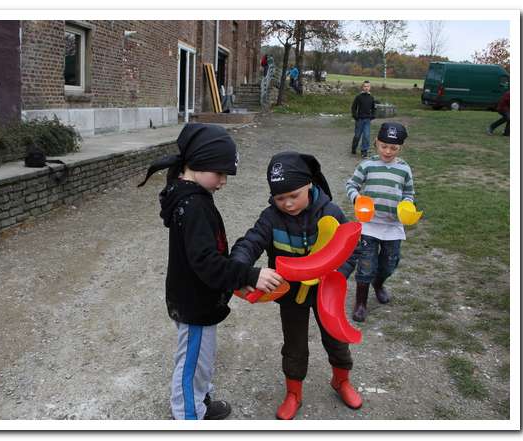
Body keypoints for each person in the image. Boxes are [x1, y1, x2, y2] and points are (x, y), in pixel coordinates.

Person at [137, 123, 283, 420]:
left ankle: (199, 402)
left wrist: (233, 280)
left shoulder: (190, 197)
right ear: (199, 164)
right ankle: (189, 417)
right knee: (191, 363)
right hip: (194, 302)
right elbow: (205, 261)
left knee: (201, 361)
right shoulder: (193, 206)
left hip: (199, 296)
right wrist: (250, 275)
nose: (224, 181)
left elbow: (204, 258)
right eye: (221, 173)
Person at [230, 151, 363, 420]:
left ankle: (341, 380)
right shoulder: (271, 218)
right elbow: (250, 242)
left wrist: (338, 273)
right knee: (294, 344)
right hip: (291, 293)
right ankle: (294, 392)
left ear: (310, 185)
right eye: (280, 198)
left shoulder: (331, 213)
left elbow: (352, 247)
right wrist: (241, 270)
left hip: (326, 290)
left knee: (336, 338)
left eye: (294, 195)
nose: (288, 204)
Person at [344, 122, 415, 322]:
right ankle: (361, 302)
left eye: (394, 148)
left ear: (401, 148)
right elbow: (351, 184)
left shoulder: (404, 169)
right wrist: (357, 198)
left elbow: (409, 192)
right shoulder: (367, 165)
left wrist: (407, 205)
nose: (388, 151)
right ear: (376, 142)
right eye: (384, 146)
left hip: (392, 225)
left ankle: (379, 283)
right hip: (369, 225)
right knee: (366, 264)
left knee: (389, 263)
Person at [350, 80, 377, 158]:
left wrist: (373, 115)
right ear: (362, 87)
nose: (366, 88)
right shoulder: (359, 97)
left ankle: (364, 151)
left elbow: (374, 108)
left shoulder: (371, 97)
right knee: (357, 136)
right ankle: (354, 148)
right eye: (365, 86)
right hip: (360, 120)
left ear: (370, 87)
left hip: (367, 120)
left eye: (368, 86)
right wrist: (355, 116)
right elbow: (353, 107)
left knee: (366, 135)